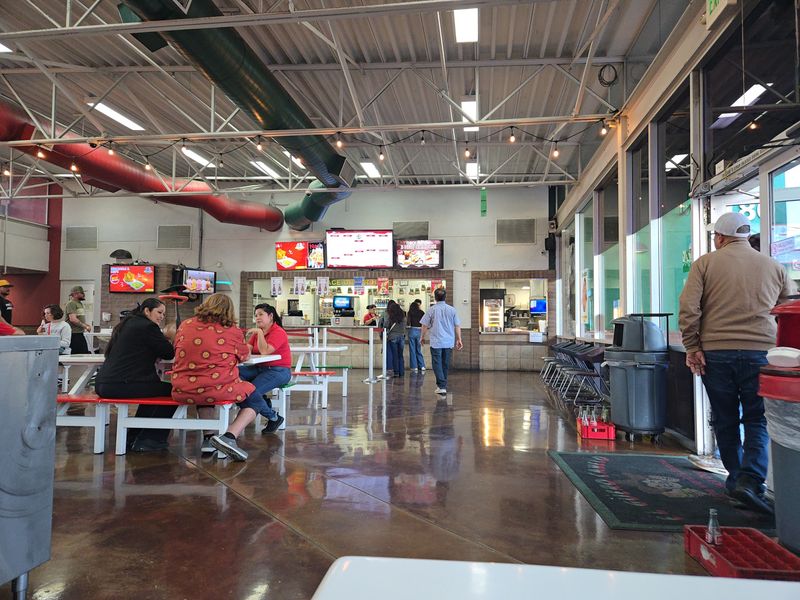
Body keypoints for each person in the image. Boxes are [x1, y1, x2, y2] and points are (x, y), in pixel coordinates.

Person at [679, 212, 797, 515]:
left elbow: (689, 308)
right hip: (763, 354)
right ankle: (751, 479)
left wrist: (693, 346)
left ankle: (736, 478)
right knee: (758, 418)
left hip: (716, 353)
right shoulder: (774, 266)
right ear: (746, 235)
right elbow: (789, 308)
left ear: (719, 237)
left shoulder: (705, 264)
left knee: (725, 417)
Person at [171, 293, 255, 461]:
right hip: (217, 389)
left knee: (203, 390)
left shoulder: (185, 325)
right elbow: (244, 356)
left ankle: (209, 438)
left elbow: (176, 348)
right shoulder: (232, 330)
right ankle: (229, 437)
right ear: (229, 310)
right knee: (255, 399)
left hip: (182, 389)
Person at [95, 298, 176, 452]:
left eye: (163, 314)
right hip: (123, 384)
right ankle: (151, 439)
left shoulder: (126, 325)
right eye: (159, 312)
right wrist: (170, 338)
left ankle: (136, 435)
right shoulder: (148, 327)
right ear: (147, 311)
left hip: (103, 384)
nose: (161, 317)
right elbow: (168, 352)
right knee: (175, 392)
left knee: (154, 393)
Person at [243, 303, 291, 434]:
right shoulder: (258, 333)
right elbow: (248, 349)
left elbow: (265, 351)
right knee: (234, 375)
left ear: (270, 316)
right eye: (256, 315)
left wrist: (258, 333)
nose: (257, 318)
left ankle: (273, 417)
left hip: (279, 370)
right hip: (259, 368)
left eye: (260, 315)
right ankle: (262, 402)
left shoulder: (278, 332)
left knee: (250, 392)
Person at [420, 288, 462, 395]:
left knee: (437, 363)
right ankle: (442, 385)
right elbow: (457, 325)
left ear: (435, 297)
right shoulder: (452, 310)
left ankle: (442, 386)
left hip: (436, 341)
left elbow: (424, 325)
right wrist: (459, 339)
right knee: (445, 363)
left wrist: (422, 337)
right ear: (445, 297)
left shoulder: (431, 309)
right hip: (448, 342)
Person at [65, 285, 92, 354]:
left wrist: (85, 324)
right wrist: (85, 326)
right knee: (79, 354)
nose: (83, 295)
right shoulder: (71, 304)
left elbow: (79, 317)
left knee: (83, 352)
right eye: (82, 293)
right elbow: (73, 319)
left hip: (79, 332)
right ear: (75, 294)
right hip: (73, 333)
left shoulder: (79, 303)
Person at [385, 301, 407, 377]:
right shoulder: (403, 317)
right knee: (400, 355)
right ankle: (402, 372)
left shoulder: (391, 317)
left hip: (393, 338)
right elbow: (405, 326)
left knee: (395, 355)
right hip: (401, 337)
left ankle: (396, 372)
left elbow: (385, 325)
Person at [407, 299, 426, 372]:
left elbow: (408, 322)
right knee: (418, 349)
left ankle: (414, 367)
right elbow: (424, 323)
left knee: (412, 350)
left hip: (412, 330)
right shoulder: (421, 312)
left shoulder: (410, 312)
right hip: (419, 331)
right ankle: (422, 366)